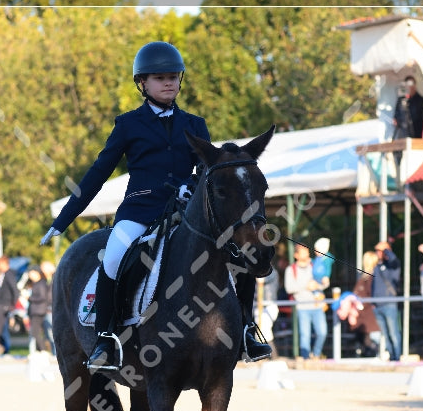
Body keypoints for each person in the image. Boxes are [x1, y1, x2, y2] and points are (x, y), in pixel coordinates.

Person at [39, 41, 271, 370]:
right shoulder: (128, 124)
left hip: (185, 214)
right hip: (140, 211)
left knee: (239, 254)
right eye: (160, 77)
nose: (169, 83)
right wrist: (62, 220)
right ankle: (106, 339)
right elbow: (97, 174)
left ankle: (246, 330)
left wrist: (192, 189)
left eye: (174, 77)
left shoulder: (195, 123)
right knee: (114, 258)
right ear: (142, 83)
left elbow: (207, 173)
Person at [284, 244, 327, 360]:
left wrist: (320, 284)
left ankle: (316, 354)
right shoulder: (291, 270)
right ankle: (305, 358)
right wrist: (306, 286)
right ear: (296, 255)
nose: (307, 254)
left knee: (322, 332)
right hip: (302, 307)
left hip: (317, 305)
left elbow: (324, 284)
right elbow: (289, 288)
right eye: (303, 252)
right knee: (305, 335)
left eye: (307, 252)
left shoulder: (314, 266)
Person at [347, 251, 382, 357]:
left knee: (370, 336)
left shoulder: (373, 277)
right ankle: (365, 353)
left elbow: (371, 293)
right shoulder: (363, 277)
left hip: (368, 311)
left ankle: (374, 353)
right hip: (360, 312)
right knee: (361, 336)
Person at [372, 240, 402, 361]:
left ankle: (397, 356)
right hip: (378, 305)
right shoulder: (377, 267)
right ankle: (391, 355)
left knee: (394, 333)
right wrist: (373, 303)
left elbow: (394, 260)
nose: (378, 253)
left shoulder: (393, 265)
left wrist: (386, 250)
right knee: (385, 334)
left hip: (389, 304)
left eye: (381, 251)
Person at [392, 75, 423, 170]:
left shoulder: (420, 100)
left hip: (417, 137)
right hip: (403, 136)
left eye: (411, 84)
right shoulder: (401, 100)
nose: (409, 86)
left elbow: (418, 118)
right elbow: (396, 117)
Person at [26, 267, 53, 353]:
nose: (30, 276)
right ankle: (40, 349)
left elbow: (42, 297)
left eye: (31, 273)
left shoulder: (41, 283)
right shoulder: (36, 283)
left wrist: (30, 298)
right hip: (36, 310)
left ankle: (43, 350)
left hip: (39, 310)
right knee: (36, 332)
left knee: (35, 331)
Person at [254, 269, 280, 357]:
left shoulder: (272, 272)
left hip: (269, 305)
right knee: (260, 331)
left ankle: (273, 355)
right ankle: (264, 355)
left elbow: (263, 280)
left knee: (264, 329)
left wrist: (260, 278)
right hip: (258, 306)